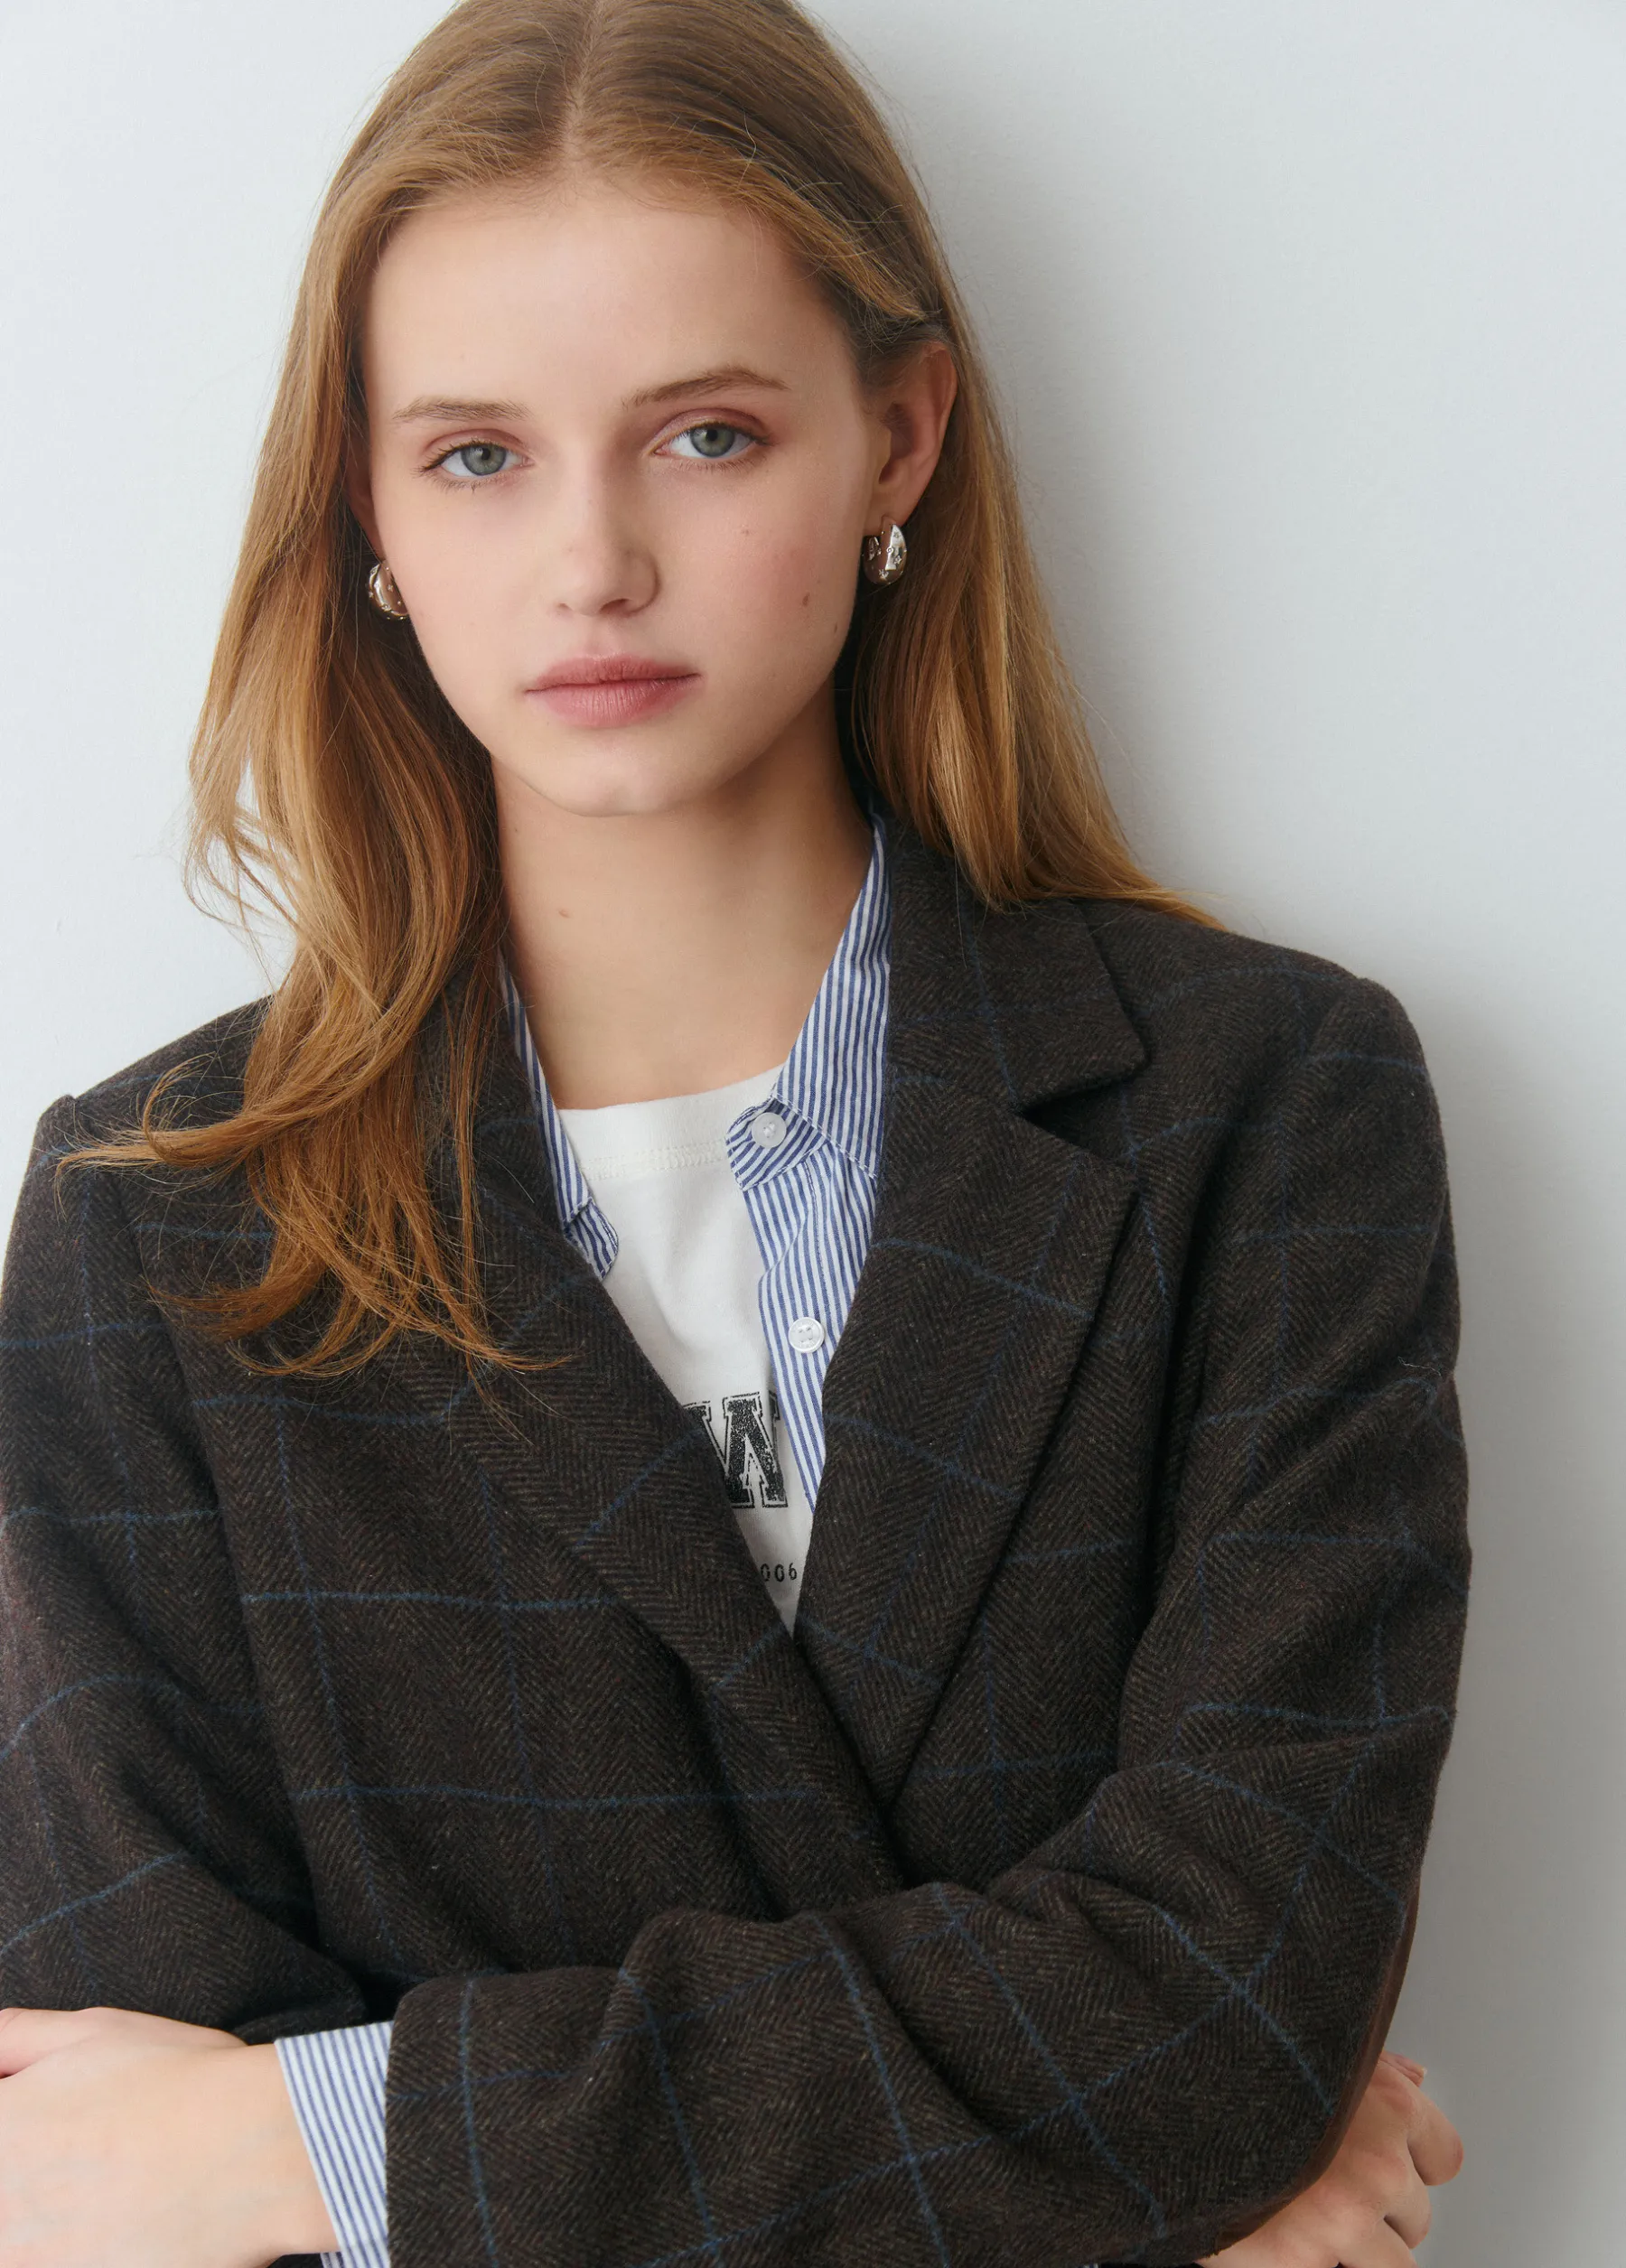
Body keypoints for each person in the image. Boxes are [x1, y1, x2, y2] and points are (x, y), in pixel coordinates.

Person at [0, 1, 1470, 2263]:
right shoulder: (154, 1225)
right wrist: (1116, 2185)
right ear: (365, 507)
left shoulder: (1267, 1110)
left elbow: (1225, 2003)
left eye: (704, 434)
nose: (591, 560)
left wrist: (313, 2136)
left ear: (899, 438)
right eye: (476, 455)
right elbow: (117, 2173)